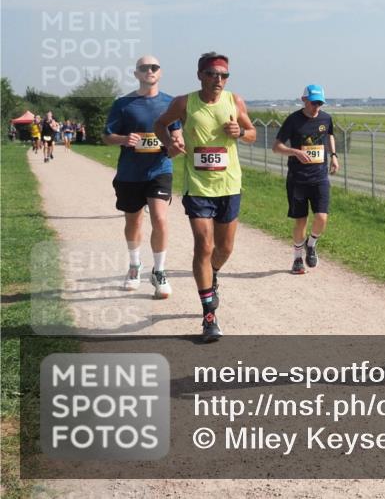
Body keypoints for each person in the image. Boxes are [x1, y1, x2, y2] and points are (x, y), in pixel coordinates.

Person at [155, 52, 256, 342]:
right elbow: (160, 125)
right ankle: (209, 315)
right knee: (204, 244)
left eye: (224, 75)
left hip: (229, 185)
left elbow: (251, 133)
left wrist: (240, 132)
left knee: (224, 249)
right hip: (198, 187)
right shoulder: (184, 103)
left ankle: (212, 275)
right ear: (200, 75)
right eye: (212, 74)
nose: (218, 80)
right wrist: (170, 143)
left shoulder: (234, 101)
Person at [103, 56, 183, 299]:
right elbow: (107, 136)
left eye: (154, 67)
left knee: (159, 218)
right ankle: (135, 265)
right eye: (144, 68)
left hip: (159, 169)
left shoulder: (171, 103)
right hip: (130, 173)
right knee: (133, 222)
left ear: (160, 72)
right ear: (136, 74)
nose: (149, 70)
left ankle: (159, 271)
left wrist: (177, 144)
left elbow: (176, 134)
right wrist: (123, 139)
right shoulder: (123, 104)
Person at [272, 85, 338, 275]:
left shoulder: (326, 118)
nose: (316, 106)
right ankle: (297, 259)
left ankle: (312, 244)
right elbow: (276, 147)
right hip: (298, 179)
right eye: (313, 102)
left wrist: (334, 155)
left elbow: (330, 134)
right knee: (301, 221)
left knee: (322, 217)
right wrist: (295, 152)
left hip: (319, 177)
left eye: (320, 103)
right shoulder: (293, 120)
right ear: (304, 99)